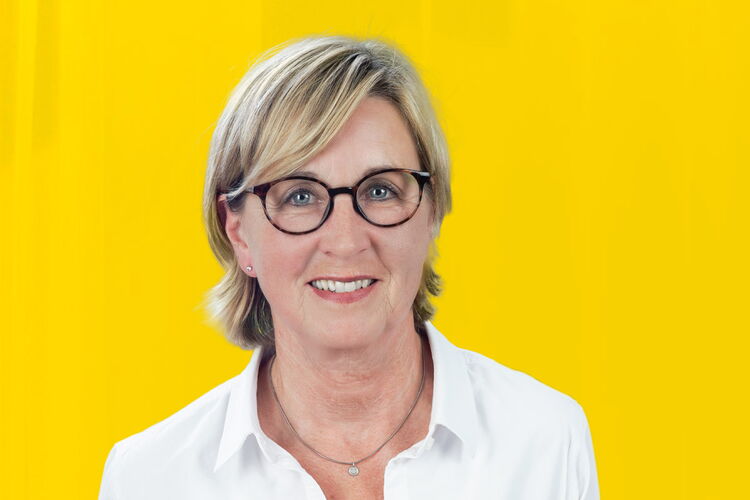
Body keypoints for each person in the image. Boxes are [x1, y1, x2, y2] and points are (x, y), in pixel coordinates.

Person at [98, 35, 600, 500]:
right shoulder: (150, 478)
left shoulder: (544, 442)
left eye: (380, 190)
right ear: (239, 233)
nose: (345, 241)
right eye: (299, 196)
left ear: (432, 213)